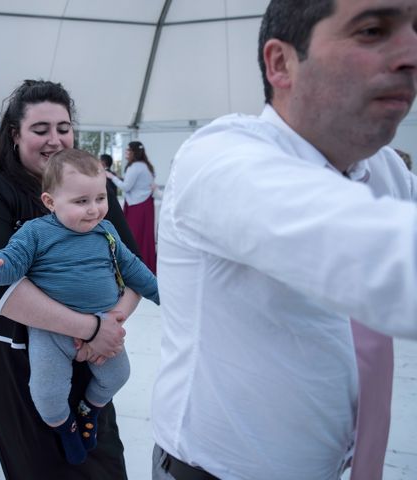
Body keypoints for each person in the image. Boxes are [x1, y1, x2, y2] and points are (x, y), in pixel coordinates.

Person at [151, 1, 417, 479]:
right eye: (373, 30)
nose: (410, 53)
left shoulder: (385, 170)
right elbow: (382, 258)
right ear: (281, 64)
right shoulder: (218, 160)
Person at [0, 79, 141, 480]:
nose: (54, 140)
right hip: (18, 362)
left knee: (103, 465)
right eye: (40, 130)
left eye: (63, 128)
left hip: (90, 357)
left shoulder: (89, 188)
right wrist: (91, 328)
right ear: (14, 135)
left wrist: (111, 324)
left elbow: (131, 267)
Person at [0, 149, 159, 465]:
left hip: (102, 324)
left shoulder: (107, 232)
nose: (94, 209)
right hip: (52, 332)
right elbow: (11, 266)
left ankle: (89, 408)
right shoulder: (35, 233)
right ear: (50, 202)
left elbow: (133, 269)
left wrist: (163, 294)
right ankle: (67, 427)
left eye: (101, 198)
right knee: (46, 395)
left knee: (119, 375)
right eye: (81, 201)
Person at [106, 141, 156, 274]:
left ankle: (135, 267)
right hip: (146, 204)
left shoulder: (135, 167)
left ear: (134, 152)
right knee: (145, 236)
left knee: (134, 235)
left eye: (128, 151)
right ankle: (147, 264)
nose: (126, 153)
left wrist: (111, 177)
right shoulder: (147, 166)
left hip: (137, 205)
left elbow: (126, 187)